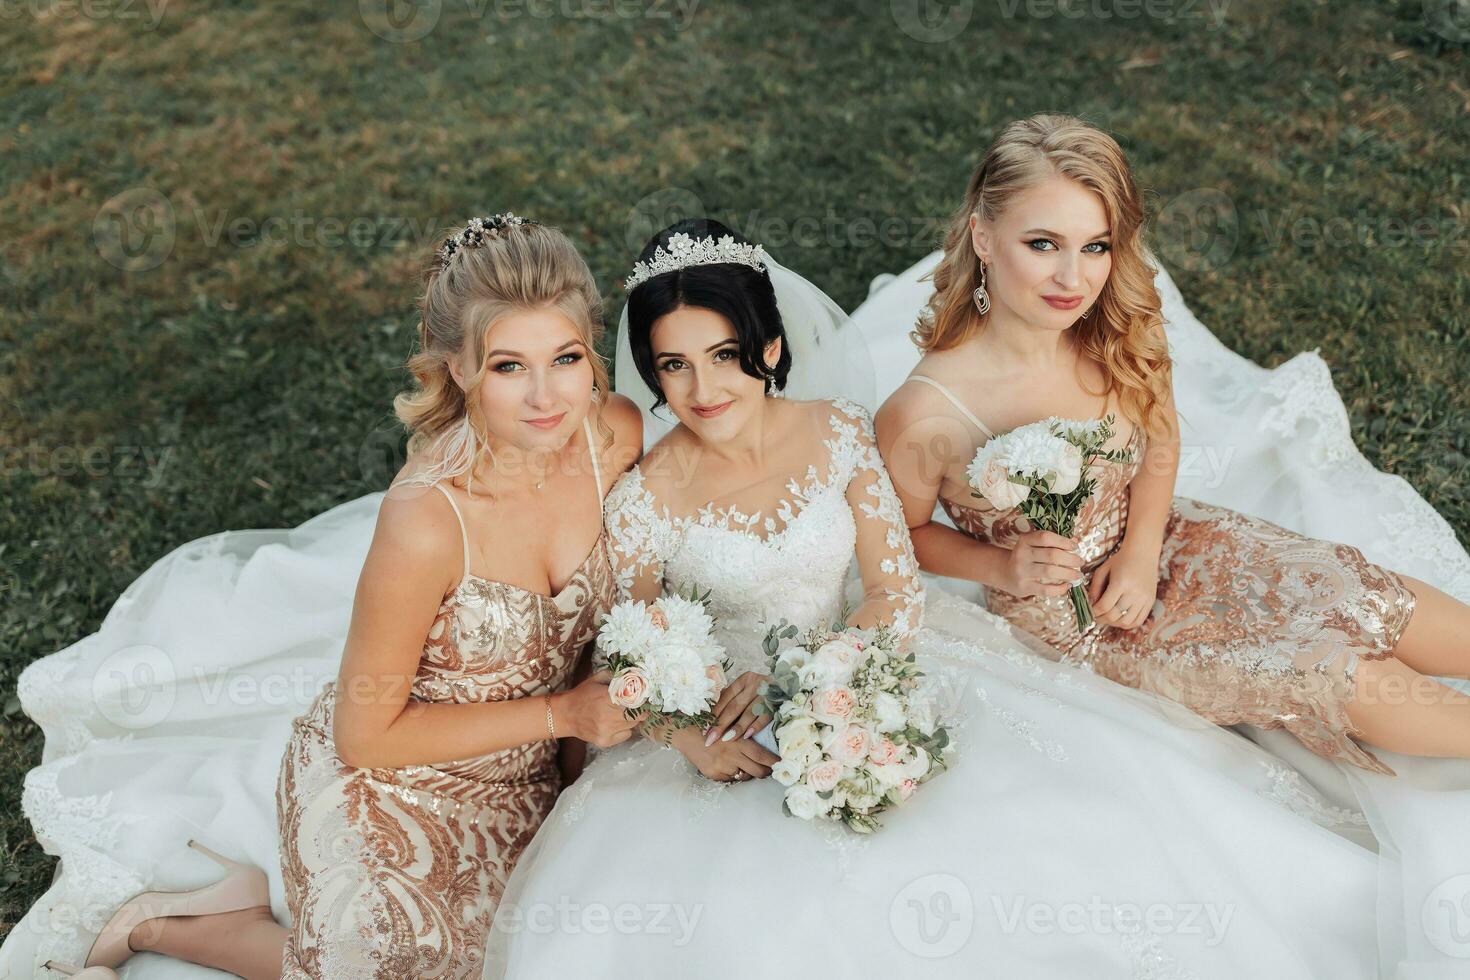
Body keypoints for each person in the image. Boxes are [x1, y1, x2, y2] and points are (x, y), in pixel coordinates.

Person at [479, 220, 1387, 979]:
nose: (704, 389)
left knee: (1055, 841)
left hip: (874, 664)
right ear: (650, 373)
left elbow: (893, 582)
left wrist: (828, 679)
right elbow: (634, 645)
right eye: (673, 367)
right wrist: (686, 736)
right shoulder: (646, 498)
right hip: (733, 724)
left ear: (770, 344)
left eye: (724, 354)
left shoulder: (835, 434)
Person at [3, 215, 645, 979]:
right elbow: (365, 735)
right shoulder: (427, 520)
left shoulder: (614, 438)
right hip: (392, 785)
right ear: (460, 367)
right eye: (509, 366)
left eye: (566, 358)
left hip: (530, 782)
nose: (546, 397)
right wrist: (560, 714)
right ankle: (163, 927)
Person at [875, 113, 1470, 775]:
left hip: (1168, 537)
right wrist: (1002, 569)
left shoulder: (1108, 331)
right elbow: (900, 533)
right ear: (983, 237)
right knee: (1328, 671)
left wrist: (1142, 548)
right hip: (1080, 617)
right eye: (1043, 244)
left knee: (1348, 587)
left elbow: (1160, 434)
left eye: (1095, 246)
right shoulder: (927, 411)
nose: (1074, 278)